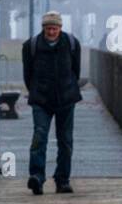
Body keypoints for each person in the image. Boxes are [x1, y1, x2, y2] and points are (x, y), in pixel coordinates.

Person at [21, 11, 82, 194]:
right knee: (39, 138)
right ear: (43, 28)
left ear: (60, 28)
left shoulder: (71, 44)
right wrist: (36, 91)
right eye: (49, 28)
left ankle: (62, 180)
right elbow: (27, 74)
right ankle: (37, 177)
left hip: (66, 98)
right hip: (41, 99)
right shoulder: (31, 46)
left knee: (66, 141)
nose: (52, 32)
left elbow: (75, 71)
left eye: (55, 28)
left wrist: (68, 88)